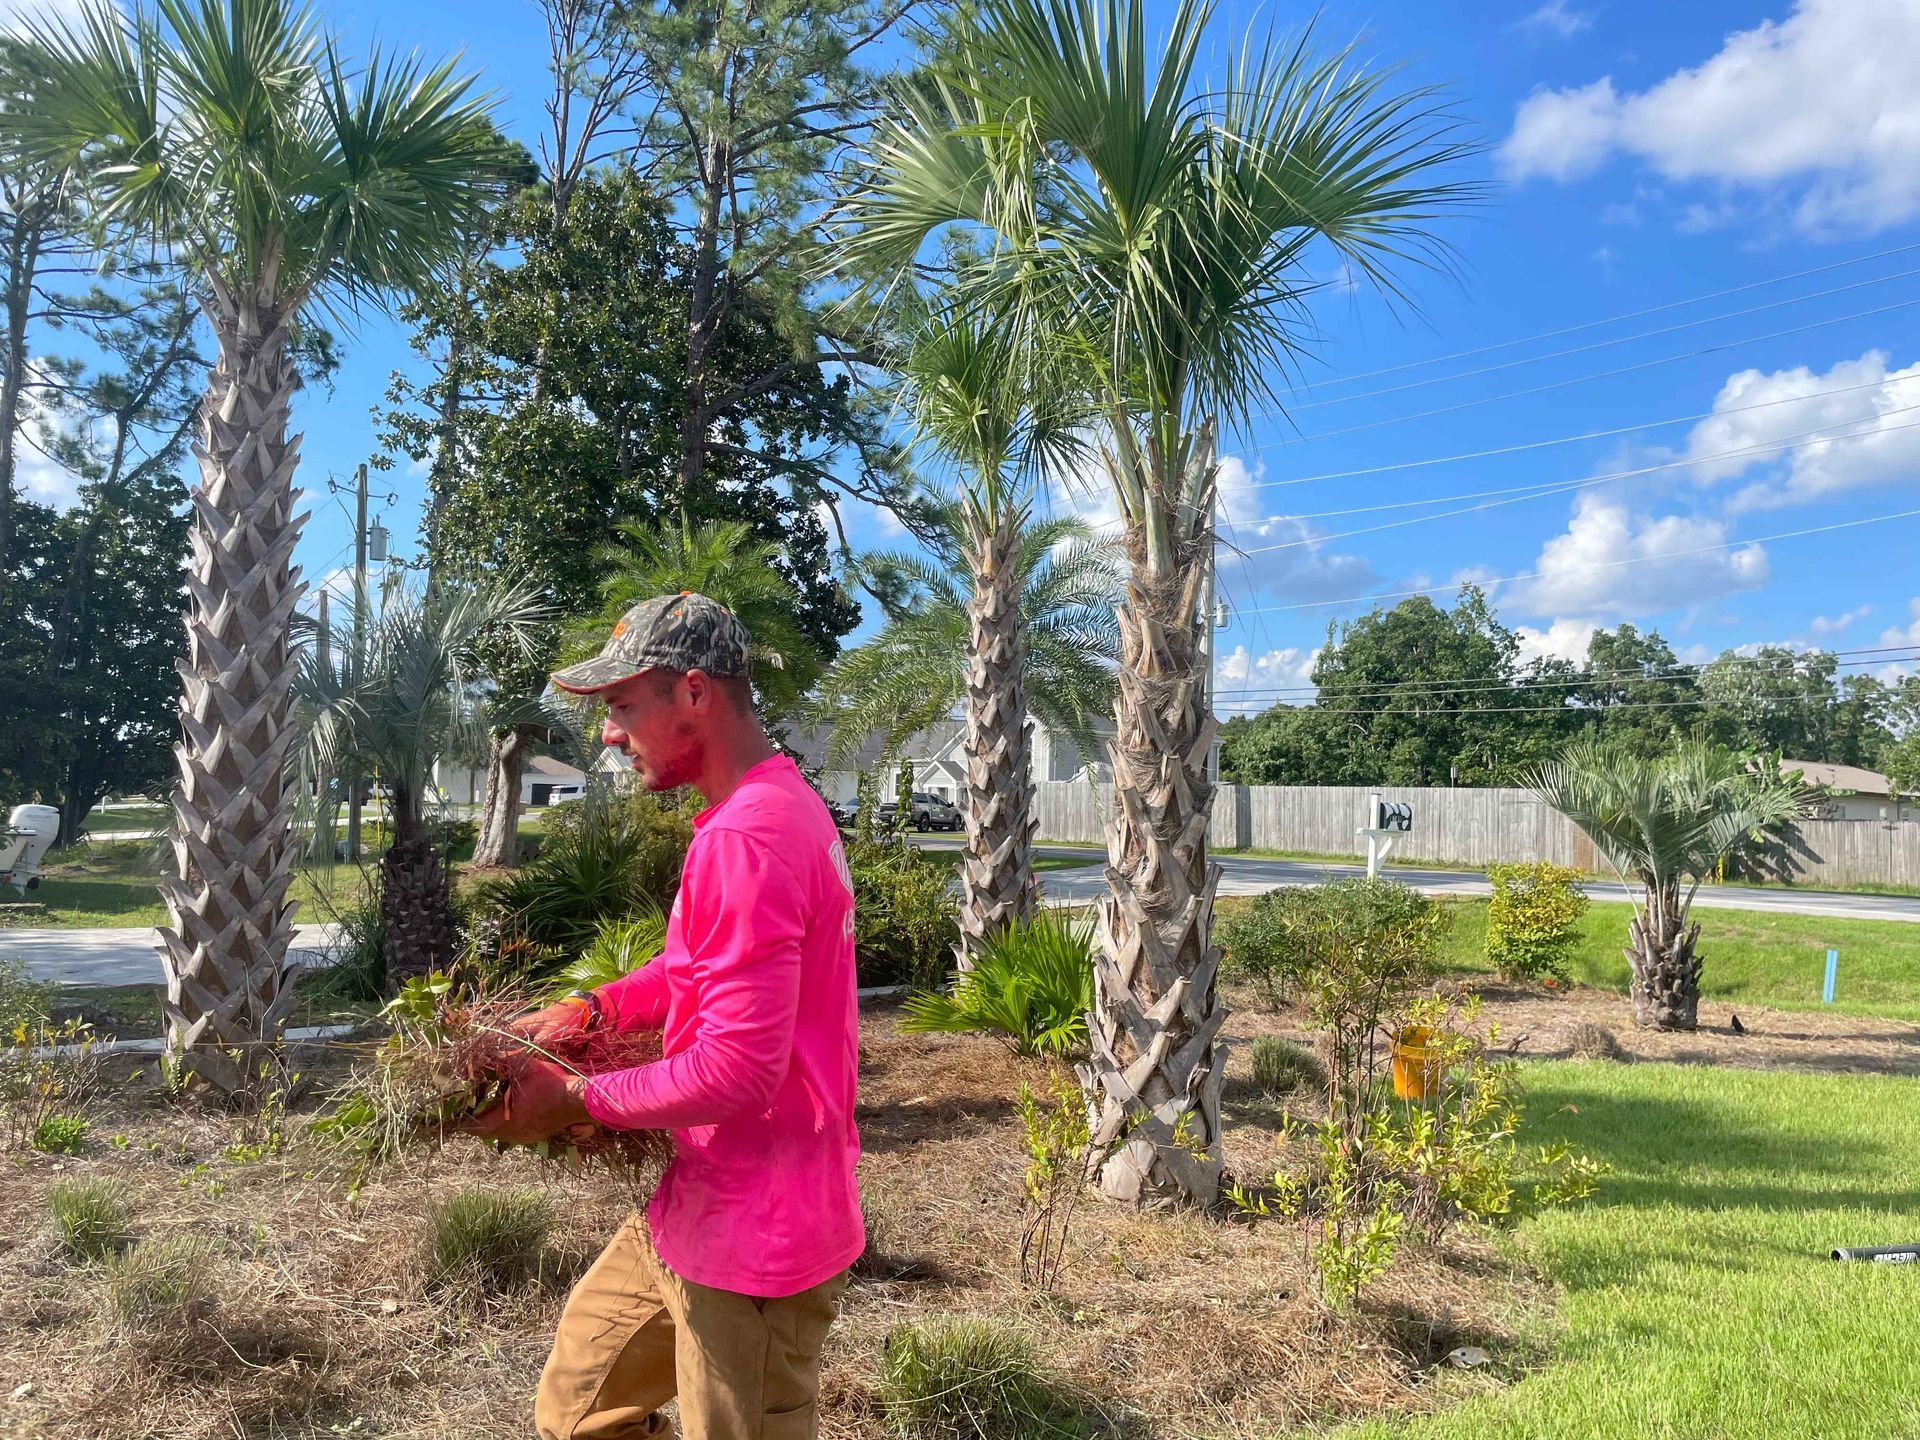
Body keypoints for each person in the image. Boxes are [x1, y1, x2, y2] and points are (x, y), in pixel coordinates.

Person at [470, 592, 863, 1440]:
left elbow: (738, 1070)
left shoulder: (751, 835)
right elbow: (690, 968)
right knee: (578, 1411)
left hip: (759, 1241)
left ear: (694, 693)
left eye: (620, 706)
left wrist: (571, 1099)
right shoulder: (754, 808)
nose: (608, 733)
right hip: (695, 1204)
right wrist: (590, 1006)